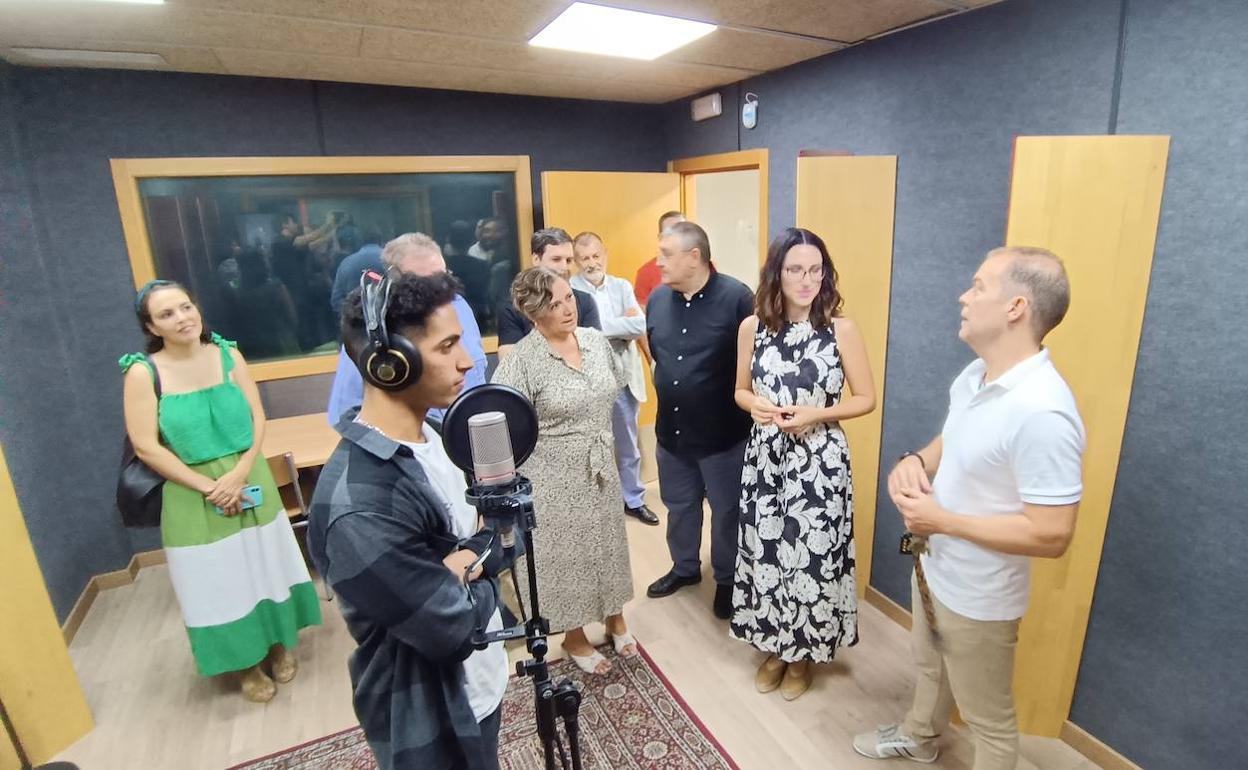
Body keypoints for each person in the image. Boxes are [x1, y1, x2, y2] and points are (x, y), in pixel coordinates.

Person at [853, 246, 1085, 768]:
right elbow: (954, 441)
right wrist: (918, 460)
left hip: (981, 597)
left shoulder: (1044, 411)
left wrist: (943, 521)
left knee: (990, 723)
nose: (964, 295)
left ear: (1016, 307)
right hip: (935, 567)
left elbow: (1052, 534)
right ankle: (920, 736)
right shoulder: (975, 375)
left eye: (979, 285)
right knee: (930, 666)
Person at [309, 272, 507, 770]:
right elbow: (451, 627)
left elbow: (507, 531)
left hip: (482, 684)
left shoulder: (441, 433)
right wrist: (485, 551)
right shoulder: (358, 504)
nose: (467, 361)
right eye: (447, 347)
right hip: (430, 713)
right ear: (391, 364)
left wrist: (465, 560)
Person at [120, 280, 322, 703]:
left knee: (266, 564)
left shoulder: (229, 354)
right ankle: (245, 664)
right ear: (151, 326)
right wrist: (210, 487)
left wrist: (241, 471)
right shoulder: (144, 372)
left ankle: (279, 643)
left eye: (186, 307)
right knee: (216, 579)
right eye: (167, 314)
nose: (182, 318)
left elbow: (257, 415)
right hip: (190, 490)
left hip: (248, 477)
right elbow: (145, 446)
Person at [730, 227, 877, 700]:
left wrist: (818, 413)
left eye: (815, 270)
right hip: (766, 459)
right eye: (796, 269)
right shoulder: (752, 327)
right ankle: (774, 647)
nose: (806, 279)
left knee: (810, 558)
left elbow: (866, 399)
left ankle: (802, 655)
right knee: (768, 554)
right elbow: (740, 390)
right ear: (777, 273)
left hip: (820, 462)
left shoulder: (841, 329)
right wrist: (753, 405)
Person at [491, 267, 637, 675]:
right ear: (534, 314)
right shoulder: (522, 361)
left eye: (568, 297)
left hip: (600, 465)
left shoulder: (593, 341)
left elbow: (614, 387)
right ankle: (574, 637)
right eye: (553, 305)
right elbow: (501, 426)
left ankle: (615, 617)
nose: (566, 309)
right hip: (552, 475)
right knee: (566, 558)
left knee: (608, 543)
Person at [644, 221, 754, 620]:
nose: (658, 262)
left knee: (727, 511)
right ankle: (685, 568)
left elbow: (754, 364)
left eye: (665, 253)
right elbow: (657, 351)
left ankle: (726, 578)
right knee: (679, 506)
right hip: (671, 434)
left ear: (694, 256)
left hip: (723, 436)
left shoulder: (738, 298)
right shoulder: (657, 299)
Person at [326, 233, 487, 426]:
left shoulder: (459, 306)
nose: (436, 290)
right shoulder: (377, 327)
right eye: (422, 284)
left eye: (442, 278)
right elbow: (344, 413)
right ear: (395, 279)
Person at [570, 231, 659, 526]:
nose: (592, 263)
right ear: (576, 262)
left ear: (604, 254)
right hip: (589, 380)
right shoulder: (571, 290)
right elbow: (576, 334)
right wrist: (620, 327)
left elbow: (639, 324)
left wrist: (598, 328)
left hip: (623, 377)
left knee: (628, 444)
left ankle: (633, 500)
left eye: (596, 256)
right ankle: (600, 505)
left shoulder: (621, 286)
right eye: (585, 258)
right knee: (592, 445)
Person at [495, 228, 601, 359]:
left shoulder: (585, 301)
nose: (564, 267)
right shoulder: (512, 307)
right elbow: (509, 363)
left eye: (568, 260)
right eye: (556, 259)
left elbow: (596, 355)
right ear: (536, 259)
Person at [633, 210, 684, 308]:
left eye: (682, 231)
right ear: (660, 238)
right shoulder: (645, 273)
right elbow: (642, 315)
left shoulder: (704, 267)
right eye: (670, 233)